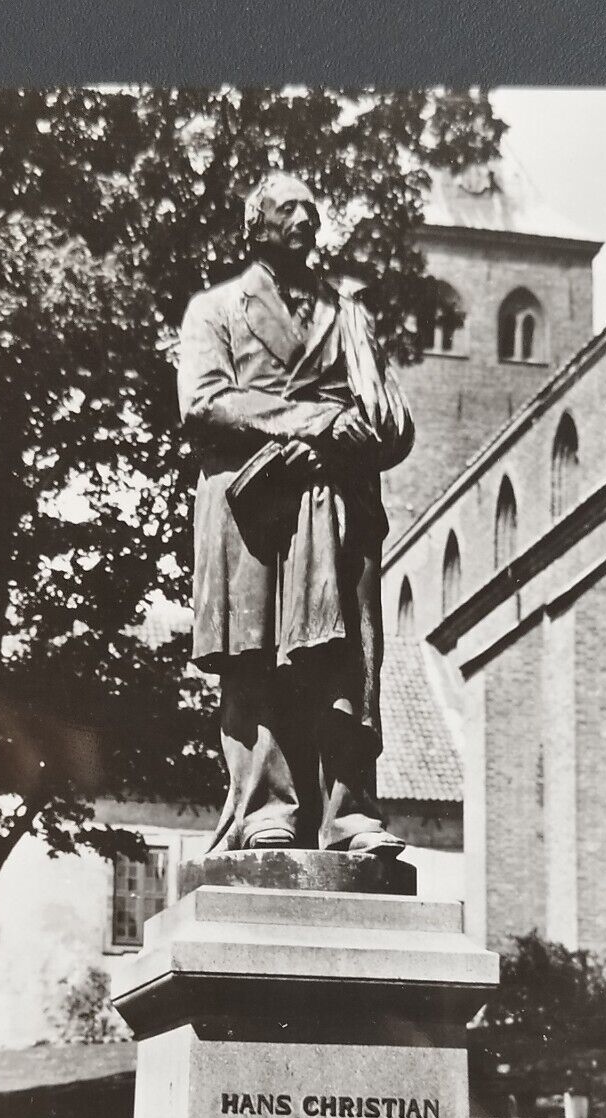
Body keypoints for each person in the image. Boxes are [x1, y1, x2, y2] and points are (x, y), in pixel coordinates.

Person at [176, 172, 415, 855]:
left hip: (338, 505)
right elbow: (206, 403)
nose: (306, 219)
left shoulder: (347, 315)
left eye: (312, 209)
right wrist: (317, 422)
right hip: (252, 507)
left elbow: (390, 417)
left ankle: (351, 813)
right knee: (256, 660)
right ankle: (266, 808)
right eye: (289, 209)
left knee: (347, 661)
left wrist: (371, 423)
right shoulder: (216, 311)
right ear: (256, 226)